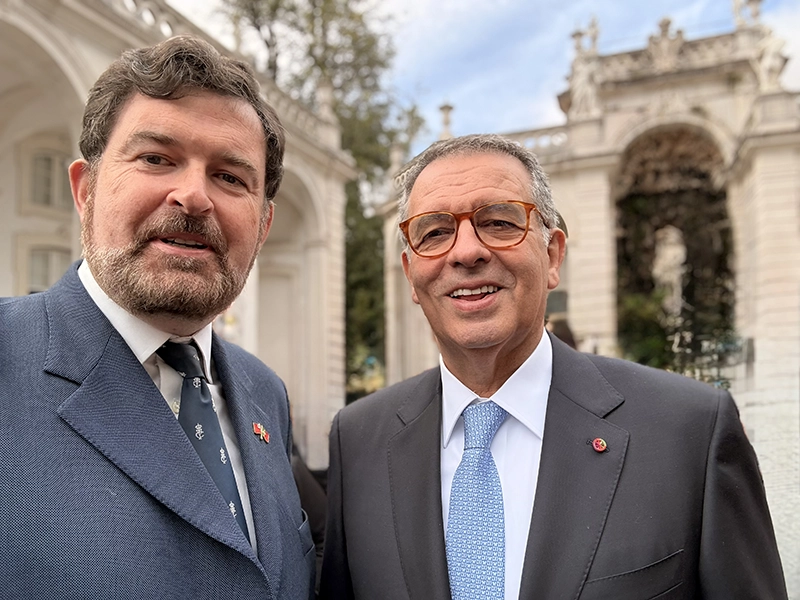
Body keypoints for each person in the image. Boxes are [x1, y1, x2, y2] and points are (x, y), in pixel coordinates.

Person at [320, 134, 787, 599]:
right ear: (410, 274)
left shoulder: (690, 430)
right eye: (435, 233)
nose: (465, 252)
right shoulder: (358, 440)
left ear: (552, 255)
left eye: (498, 222)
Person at [0, 35, 314, 599]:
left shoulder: (265, 392)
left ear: (264, 226)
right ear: (86, 190)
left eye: (230, 177)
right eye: (156, 159)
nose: (193, 196)